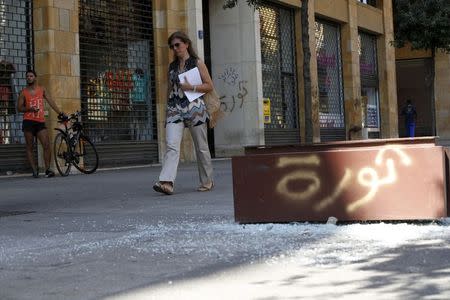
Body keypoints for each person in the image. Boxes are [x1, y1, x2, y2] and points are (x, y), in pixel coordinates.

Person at [153, 31, 214, 195]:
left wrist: (192, 87)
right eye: (172, 46)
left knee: (201, 147)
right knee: (172, 146)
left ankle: (207, 181)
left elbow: (209, 86)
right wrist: (167, 111)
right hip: (175, 109)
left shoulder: (197, 63)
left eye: (177, 45)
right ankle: (166, 182)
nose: (175, 48)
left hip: (195, 108)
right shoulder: (171, 67)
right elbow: (169, 89)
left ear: (186, 44)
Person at [17, 70, 65, 178]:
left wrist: (60, 113)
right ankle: (34, 169)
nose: (29, 78)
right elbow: (19, 108)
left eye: (31, 76)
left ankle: (48, 169)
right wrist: (29, 108)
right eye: (27, 76)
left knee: (46, 145)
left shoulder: (42, 89)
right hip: (28, 122)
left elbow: (51, 101)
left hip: (40, 121)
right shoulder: (23, 92)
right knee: (30, 147)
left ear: (35, 77)